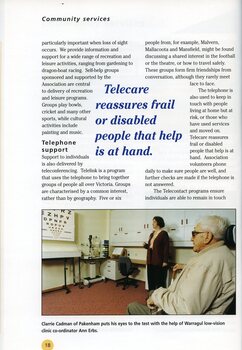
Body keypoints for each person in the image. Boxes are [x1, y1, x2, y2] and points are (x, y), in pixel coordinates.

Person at [128, 215, 235, 315]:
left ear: (207, 236)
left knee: (132, 306)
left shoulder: (207, 263)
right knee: (152, 289)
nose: (191, 239)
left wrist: (157, 296)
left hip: (176, 314)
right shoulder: (220, 254)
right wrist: (185, 266)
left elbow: (185, 307)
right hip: (153, 263)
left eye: (194, 234)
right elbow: (204, 273)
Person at [143, 216, 169, 291]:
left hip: (158, 261)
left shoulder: (163, 234)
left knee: (159, 281)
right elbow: (150, 247)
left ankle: (158, 298)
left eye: (154, 221)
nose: (152, 223)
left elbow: (166, 248)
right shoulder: (152, 234)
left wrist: (165, 261)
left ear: (158, 222)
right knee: (151, 279)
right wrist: (145, 246)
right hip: (150, 260)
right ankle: (151, 295)